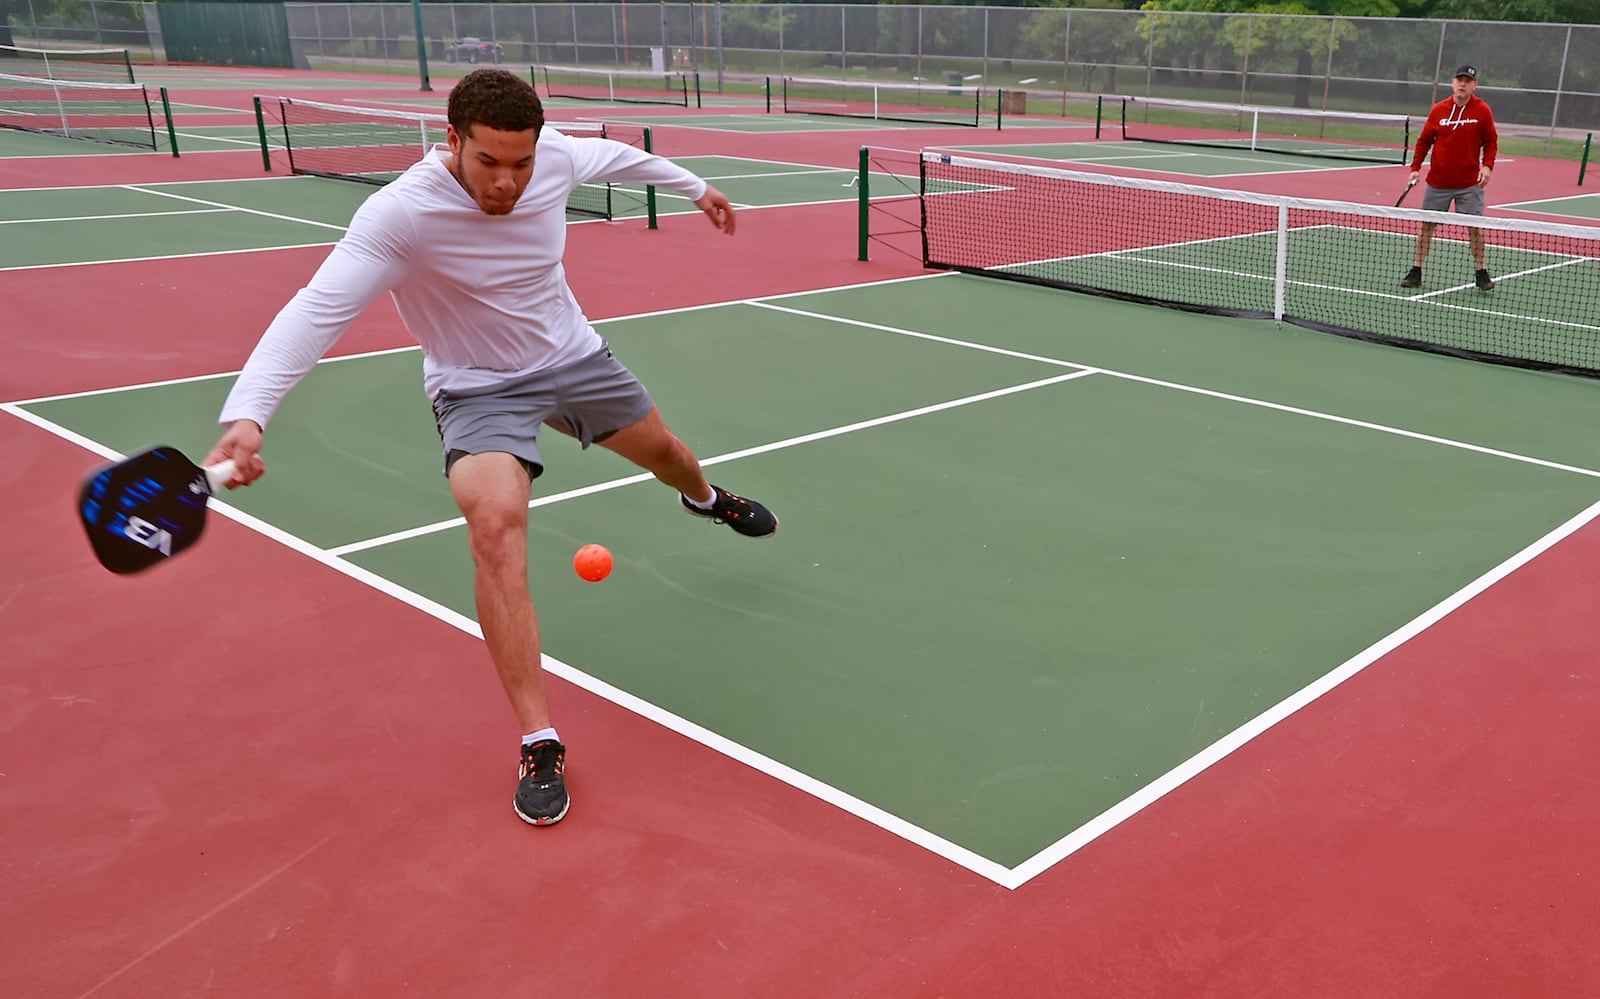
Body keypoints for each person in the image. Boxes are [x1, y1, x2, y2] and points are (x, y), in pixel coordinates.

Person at [204, 69, 778, 828]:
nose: (507, 181)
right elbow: (317, 309)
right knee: (495, 527)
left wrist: (696, 187)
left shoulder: (561, 160)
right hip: (477, 389)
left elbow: (627, 158)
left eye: (522, 163)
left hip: (573, 360)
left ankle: (704, 498)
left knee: (669, 451)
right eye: (489, 162)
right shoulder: (402, 215)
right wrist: (250, 414)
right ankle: (540, 737)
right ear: (452, 140)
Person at [1400, 64, 1499, 292]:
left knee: (1475, 228)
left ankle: (1481, 271)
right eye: (1459, 80)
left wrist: (1488, 166)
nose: (1463, 84)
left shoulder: (1482, 111)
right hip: (1438, 183)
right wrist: (1415, 168)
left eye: (1468, 81)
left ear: (1474, 85)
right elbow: (1424, 140)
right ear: (1453, 83)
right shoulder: (1438, 110)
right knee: (1427, 227)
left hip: (1468, 185)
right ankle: (1416, 270)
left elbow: (1491, 141)